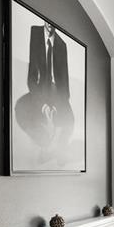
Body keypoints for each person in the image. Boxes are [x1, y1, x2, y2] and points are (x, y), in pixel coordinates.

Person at [14, 21, 74, 159]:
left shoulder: (62, 45)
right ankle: (45, 143)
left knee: (69, 120)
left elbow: (64, 81)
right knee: (20, 107)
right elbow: (31, 78)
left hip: (56, 91)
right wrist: (42, 104)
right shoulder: (35, 33)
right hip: (39, 89)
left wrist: (60, 103)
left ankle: (58, 149)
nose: (49, 25)